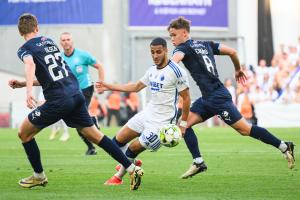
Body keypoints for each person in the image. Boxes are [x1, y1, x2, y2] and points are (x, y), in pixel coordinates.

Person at [8, 13, 143, 190]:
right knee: (96, 136)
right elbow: (50, 76)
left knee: (24, 133)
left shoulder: (25, 49)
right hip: (76, 94)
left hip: (58, 100)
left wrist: (27, 92)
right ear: (37, 28)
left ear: (20, 32)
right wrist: (23, 84)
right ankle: (132, 168)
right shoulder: (49, 42)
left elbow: (30, 65)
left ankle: (39, 176)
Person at [167, 16, 295, 179]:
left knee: (245, 129)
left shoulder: (182, 48)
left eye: (174, 34)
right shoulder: (206, 44)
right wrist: (237, 69)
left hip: (218, 98)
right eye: (170, 35)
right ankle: (198, 162)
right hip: (208, 97)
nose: (172, 39)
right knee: (183, 125)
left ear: (184, 33)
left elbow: (173, 63)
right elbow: (232, 52)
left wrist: (164, 71)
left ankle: (284, 146)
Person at [96, 37, 190, 185]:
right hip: (147, 114)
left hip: (161, 124)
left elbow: (186, 98)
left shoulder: (176, 71)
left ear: (166, 50)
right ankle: (131, 162)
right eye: (152, 52)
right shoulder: (151, 70)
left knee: (132, 148)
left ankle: (118, 177)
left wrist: (183, 123)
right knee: (116, 141)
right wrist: (108, 86)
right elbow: (135, 87)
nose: (155, 55)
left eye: (159, 52)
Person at [60, 32, 104, 155]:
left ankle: (92, 143)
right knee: (77, 122)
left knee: (79, 119)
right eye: (63, 40)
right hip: (70, 92)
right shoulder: (59, 58)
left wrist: (101, 84)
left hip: (85, 89)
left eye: (68, 39)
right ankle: (91, 147)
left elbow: (100, 66)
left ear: (72, 41)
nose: (66, 42)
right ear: (60, 43)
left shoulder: (83, 55)